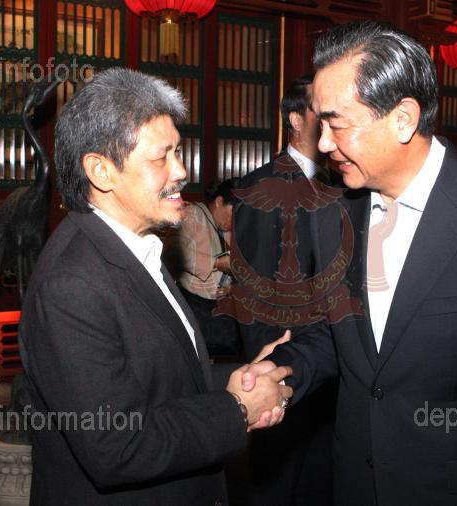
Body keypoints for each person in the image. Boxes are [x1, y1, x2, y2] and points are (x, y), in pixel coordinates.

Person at [244, 20, 457, 506]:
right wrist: (281, 373)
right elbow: (337, 337)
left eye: (336, 124)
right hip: (355, 483)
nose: (325, 143)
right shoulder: (332, 214)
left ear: (403, 119)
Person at [18, 67, 292, 505]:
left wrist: (238, 379)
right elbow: (117, 445)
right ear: (101, 171)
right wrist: (237, 409)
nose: (181, 170)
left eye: (178, 152)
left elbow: (162, 376)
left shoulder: (136, 247)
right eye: (161, 157)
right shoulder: (72, 284)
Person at [231, 74, 337, 506]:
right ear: (295, 118)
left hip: (331, 365)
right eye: (319, 110)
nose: (329, 119)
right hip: (284, 369)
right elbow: (252, 293)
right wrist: (271, 373)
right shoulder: (261, 188)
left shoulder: (341, 183)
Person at [162, 178, 242, 356]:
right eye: (233, 212)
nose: (233, 220)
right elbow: (173, 253)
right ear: (219, 201)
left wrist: (230, 288)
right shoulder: (191, 214)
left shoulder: (224, 229)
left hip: (217, 304)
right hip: (195, 305)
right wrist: (216, 263)